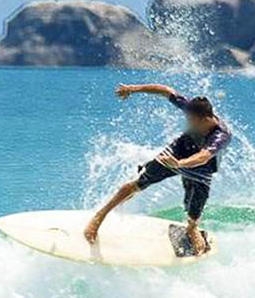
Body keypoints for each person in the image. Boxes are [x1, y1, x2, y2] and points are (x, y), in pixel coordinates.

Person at [83, 83, 231, 255]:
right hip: (179, 150)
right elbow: (166, 91)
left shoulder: (221, 135)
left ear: (206, 119)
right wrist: (133, 89)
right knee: (140, 182)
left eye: (191, 121)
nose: (188, 122)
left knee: (195, 207)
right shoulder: (192, 107)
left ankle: (192, 228)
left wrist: (179, 164)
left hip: (202, 168)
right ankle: (99, 216)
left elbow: (204, 157)